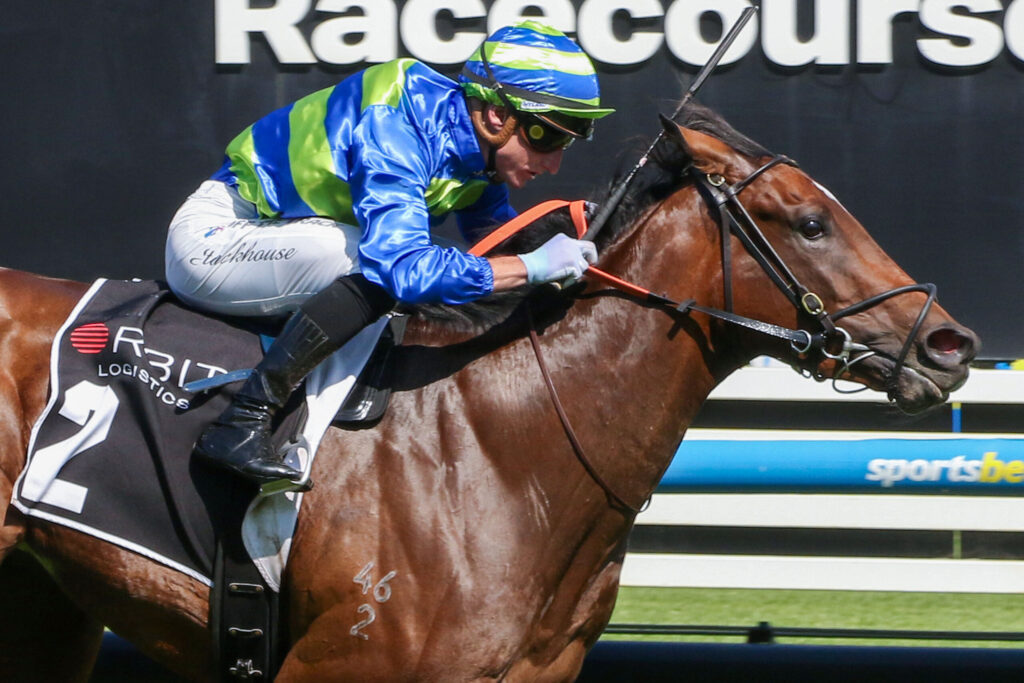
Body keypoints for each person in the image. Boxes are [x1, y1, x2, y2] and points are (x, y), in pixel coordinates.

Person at [164, 20, 614, 485]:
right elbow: (402, 267)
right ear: (497, 116)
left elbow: (493, 240)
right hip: (217, 239)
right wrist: (529, 266)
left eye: (570, 140)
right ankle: (242, 422)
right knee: (385, 264)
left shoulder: (478, 148)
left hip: (287, 241)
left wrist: (569, 242)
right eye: (548, 137)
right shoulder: (396, 118)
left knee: (438, 262)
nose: (555, 162)